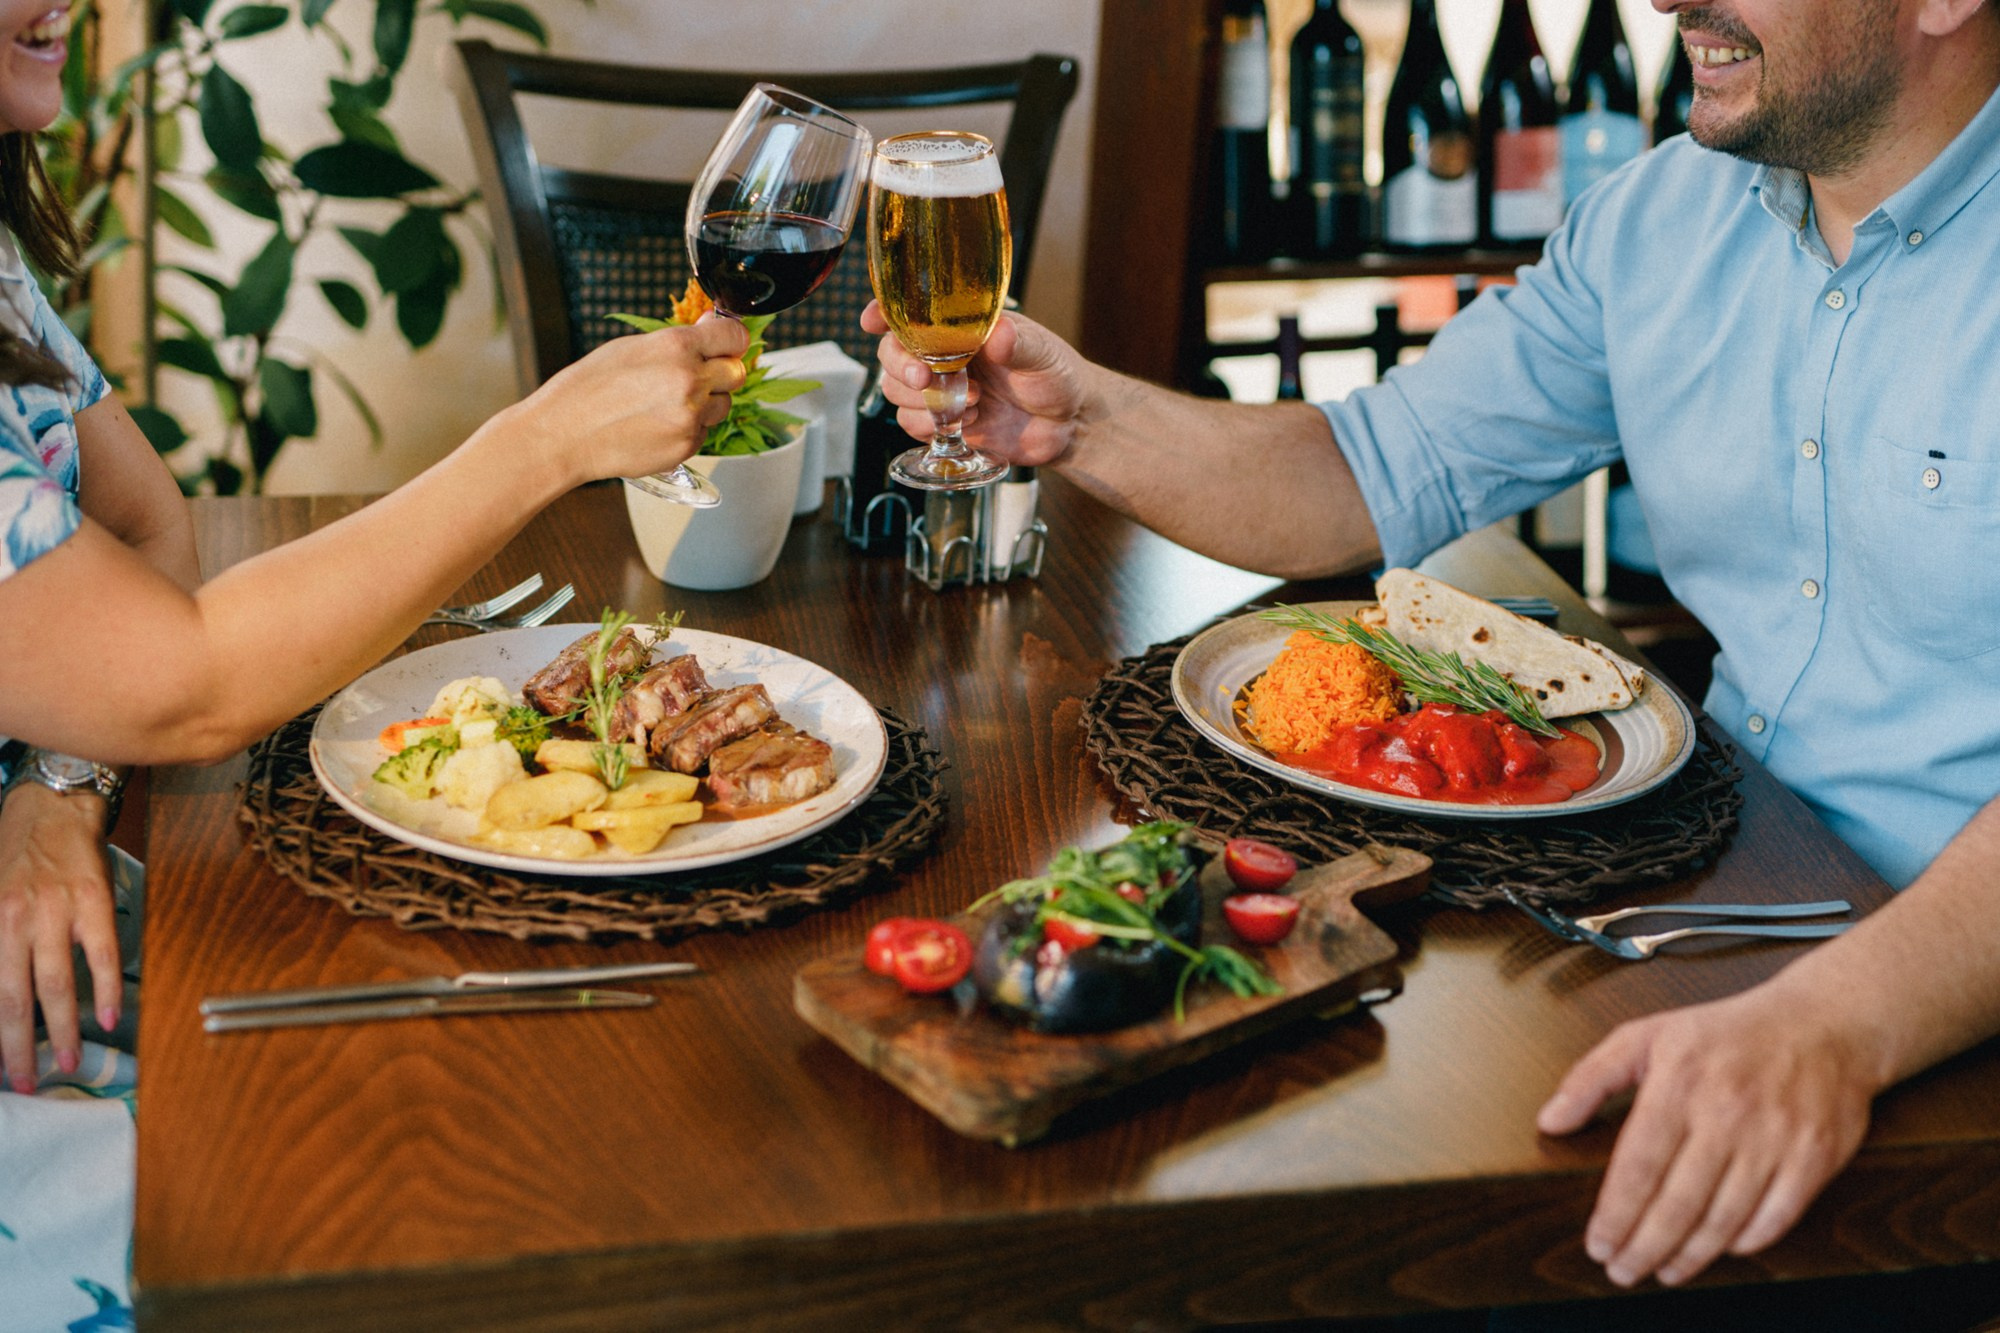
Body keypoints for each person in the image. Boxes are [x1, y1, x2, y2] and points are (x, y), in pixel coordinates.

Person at [867, 0, 2000, 1295]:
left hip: (1941, 997)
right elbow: (1366, 472)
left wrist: (1834, 1024)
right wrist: (1078, 422)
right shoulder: (1659, 222)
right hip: (1712, 900)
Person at [0, 0, 747, 1319]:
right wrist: (543, 442)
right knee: (378, 1217)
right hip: (37, 1042)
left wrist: (57, 777)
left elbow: (150, 523)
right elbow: (192, 680)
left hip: (78, 915)